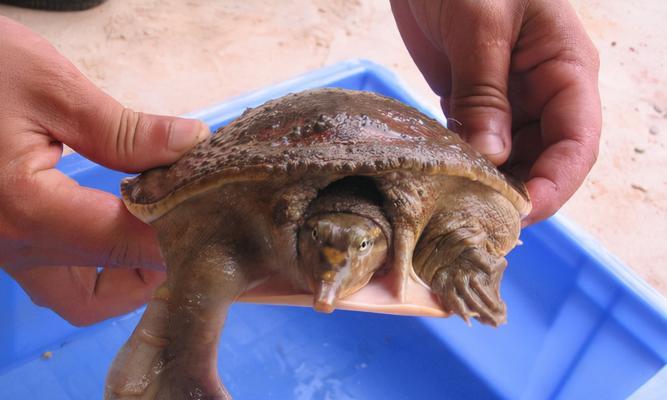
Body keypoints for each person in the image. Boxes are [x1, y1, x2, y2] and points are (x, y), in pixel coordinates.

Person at [0, 0, 601, 326]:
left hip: (417, 162)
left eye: (353, 253)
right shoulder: (246, 191)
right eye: (324, 251)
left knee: (460, 246)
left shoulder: (437, 205)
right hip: (262, 161)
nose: (328, 283)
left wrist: (460, 252)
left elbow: (469, 220)